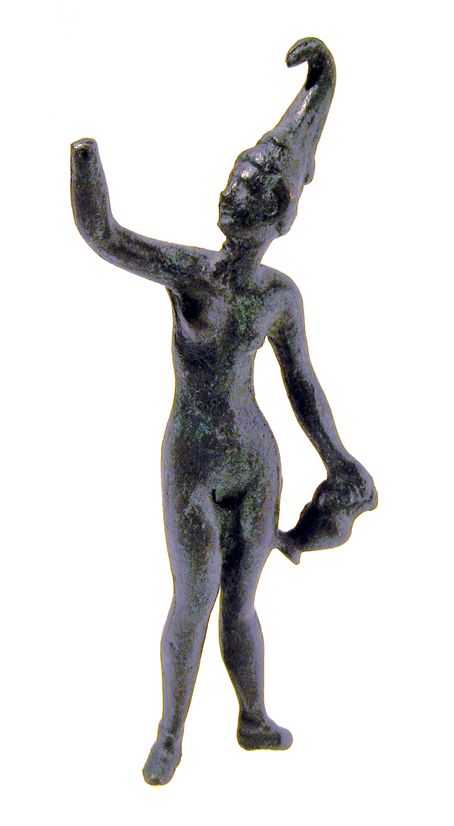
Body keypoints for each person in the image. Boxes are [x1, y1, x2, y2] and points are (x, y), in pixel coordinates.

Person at [70, 37, 377, 786]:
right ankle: (171, 733)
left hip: (254, 460)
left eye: (251, 188)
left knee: (241, 605)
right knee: (193, 599)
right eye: (235, 177)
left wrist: (338, 456)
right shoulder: (190, 273)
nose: (232, 193)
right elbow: (104, 234)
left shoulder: (278, 296)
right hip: (193, 463)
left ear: (279, 213)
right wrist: (84, 160)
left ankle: (252, 717)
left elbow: (303, 385)